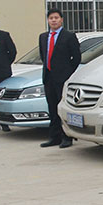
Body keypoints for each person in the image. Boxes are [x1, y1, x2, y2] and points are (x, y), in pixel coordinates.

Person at [38, 9, 81, 148]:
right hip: (48, 77)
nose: (54, 20)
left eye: (56, 18)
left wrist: (67, 72)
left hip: (63, 78)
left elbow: (76, 57)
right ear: (48, 20)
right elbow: (43, 56)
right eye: (51, 18)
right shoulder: (43, 37)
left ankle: (67, 137)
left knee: (63, 108)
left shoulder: (69, 36)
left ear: (61, 19)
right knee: (52, 108)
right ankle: (54, 137)